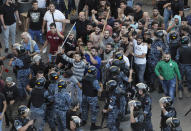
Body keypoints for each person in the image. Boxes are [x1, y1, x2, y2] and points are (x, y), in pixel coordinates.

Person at [81, 66, 102, 130]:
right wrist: (101, 86)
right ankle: (93, 125)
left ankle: (84, 121)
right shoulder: (94, 80)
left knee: (84, 109)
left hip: (84, 96)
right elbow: (99, 90)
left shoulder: (84, 77)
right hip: (92, 97)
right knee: (94, 111)